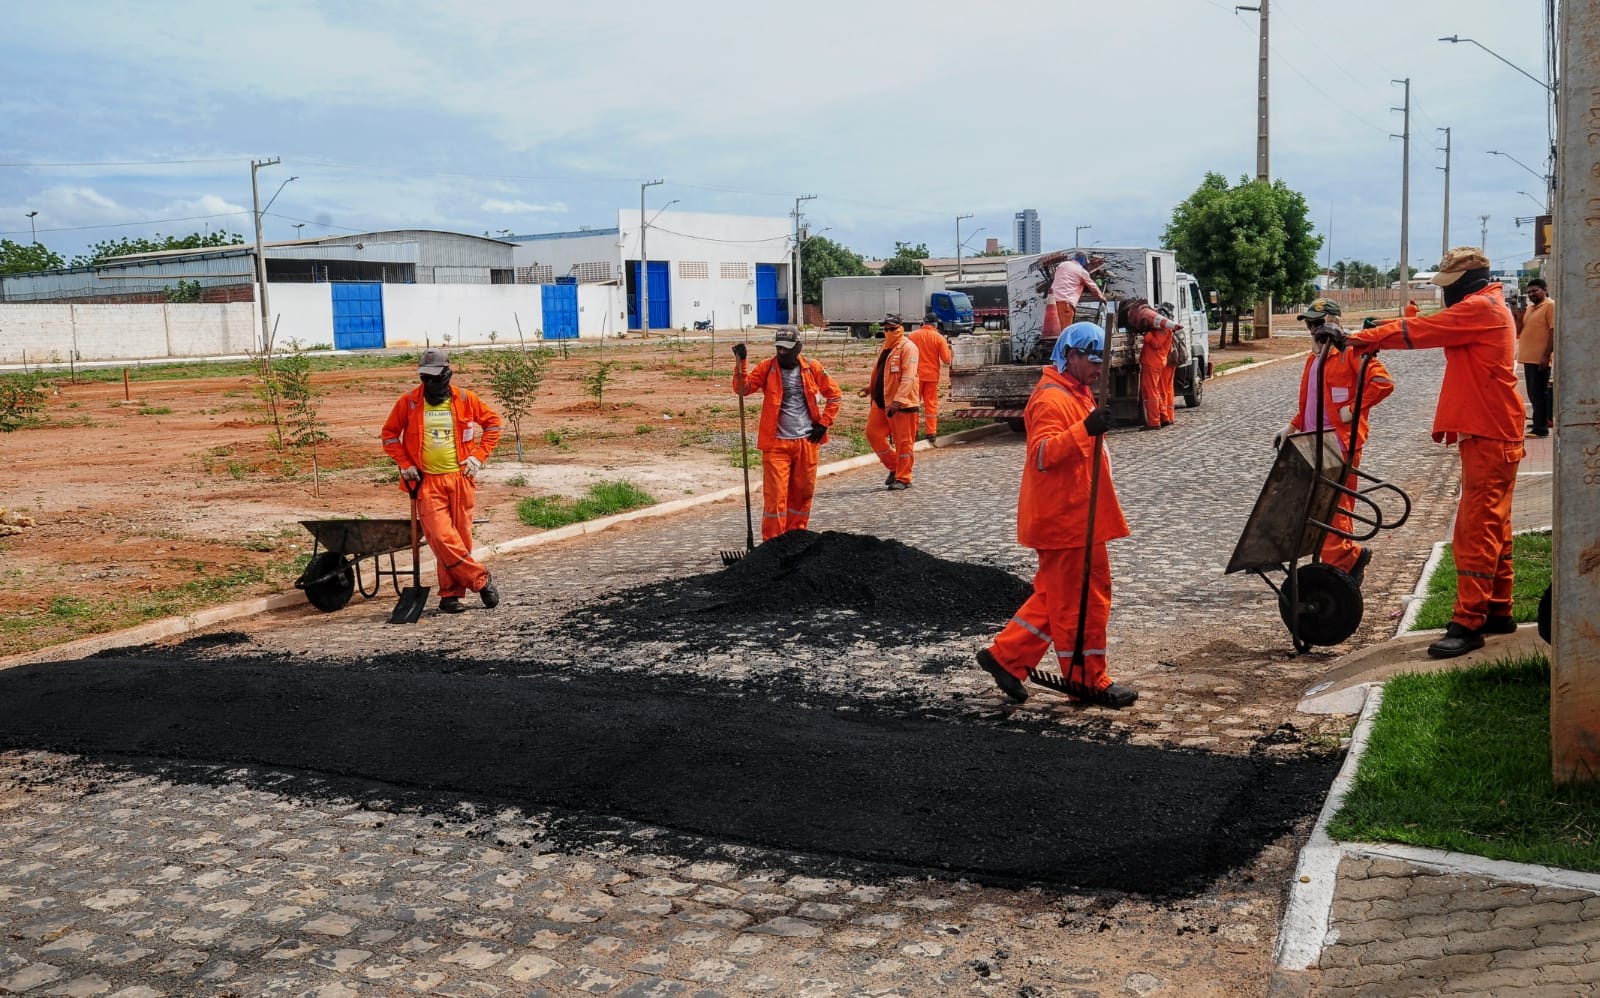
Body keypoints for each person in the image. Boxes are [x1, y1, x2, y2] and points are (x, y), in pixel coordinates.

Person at [1345, 247, 1524, 658]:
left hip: (1490, 431)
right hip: (1493, 429)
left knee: (1474, 528)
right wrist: (1378, 328)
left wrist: (1360, 337)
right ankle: (1498, 609)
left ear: (1468, 281)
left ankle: (1469, 622)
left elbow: (1423, 332)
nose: (1447, 294)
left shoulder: (1481, 308)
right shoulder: (1490, 305)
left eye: (1450, 286)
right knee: (1495, 523)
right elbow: (1424, 326)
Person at [975, 322, 1139, 709]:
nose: (1101, 368)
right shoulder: (1051, 399)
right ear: (1072, 355)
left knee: (1055, 599)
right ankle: (1087, 681)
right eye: (1094, 360)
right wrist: (1087, 429)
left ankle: (1005, 658)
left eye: (1104, 360)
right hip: (1067, 522)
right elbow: (1043, 455)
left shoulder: (1076, 392)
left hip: (1076, 517)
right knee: (1084, 603)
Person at [1276, 299, 1395, 584]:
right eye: (1309, 325)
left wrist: (1354, 409)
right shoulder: (1313, 358)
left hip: (1340, 443)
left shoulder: (1351, 352)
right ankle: (1342, 560)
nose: (1312, 330)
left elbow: (1383, 383)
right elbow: (1311, 403)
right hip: (1313, 443)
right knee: (1321, 508)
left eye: (1318, 324)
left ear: (1334, 322)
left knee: (1333, 508)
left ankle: (1343, 564)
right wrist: (1291, 427)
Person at [381, 348, 504, 614]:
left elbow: (493, 424)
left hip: (461, 478)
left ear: (447, 374)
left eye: (434, 377)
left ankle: (450, 596)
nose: (428, 383)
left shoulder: (465, 398)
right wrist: (405, 464)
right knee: (441, 537)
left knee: (460, 539)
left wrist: (479, 457)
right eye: (424, 377)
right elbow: (390, 435)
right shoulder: (410, 402)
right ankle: (480, 580)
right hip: (426, 483)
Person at [731, 327, 844, 538]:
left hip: (807, 442)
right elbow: (742, 389)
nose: (782, 353)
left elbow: (835, 396)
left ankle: (796, 539)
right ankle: (772, 545)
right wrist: (741, 363)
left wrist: (824, 424)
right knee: (775, 498)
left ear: (798, 348)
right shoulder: (767, 368)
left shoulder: (812, 368)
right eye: (779, 348)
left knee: (802, 495)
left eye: (787, 349)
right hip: (776, 445)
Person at [860, 315, 921, 489]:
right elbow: (884, 374)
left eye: (892, 329)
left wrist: (898, 400)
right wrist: (870, 388)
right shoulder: (886, 347)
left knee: (904, 442)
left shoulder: (908, 348)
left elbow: (908, 377)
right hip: (881, 403)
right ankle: (894, 466)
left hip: (902, 405)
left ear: (901, 328)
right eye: (885, 329)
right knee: (873, 434)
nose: (888, 332)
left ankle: (904, 477)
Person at [1123, 298, 1183, 429]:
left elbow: (1156, 344)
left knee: (1150, 392)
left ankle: (1154, 422)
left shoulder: (1163, 330)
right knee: (1157, 391)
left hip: (1153, 362)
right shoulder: (1165, 328)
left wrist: (1148, 336)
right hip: (1157, 362)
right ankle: (1164, 417)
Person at [906, 311, 953, 440]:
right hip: (931, 377)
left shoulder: (912, 336)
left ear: (924, 323)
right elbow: (947, 359)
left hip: (915, 376)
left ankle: (913, 432)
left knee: (913, 404)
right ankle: (931, 433)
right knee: (930, 404)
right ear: (935, 324)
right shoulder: (939, 338)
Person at [1518, 278, 1554, 437]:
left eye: (1535, 291)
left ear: (1544, 289)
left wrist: (1546, 356)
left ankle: (1541, 429)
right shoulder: (1531, 308)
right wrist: (1518, 317)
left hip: (1540, 359)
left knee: (1539, 394)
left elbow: (1553, 331)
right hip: (1528, 358)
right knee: (1533, 393)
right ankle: (1540, 421)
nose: (1532, 294)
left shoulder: (1550, 306)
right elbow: (1520, 331)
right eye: (1529, 292)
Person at [1048, 251, 1108, 334]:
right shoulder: (1081, 271)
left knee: (1053, 331)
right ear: (1082, 260)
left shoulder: (1062, 265)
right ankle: (1064, 346)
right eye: (1085, 263)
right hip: (1065, 303)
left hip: (1051, 301)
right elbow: (1092, 286)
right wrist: (1101, 297)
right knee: (1065, 332)